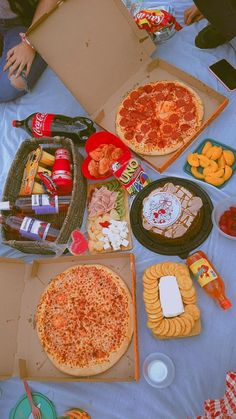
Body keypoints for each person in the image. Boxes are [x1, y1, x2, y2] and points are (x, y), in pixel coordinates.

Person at [0, 0, 58, 103]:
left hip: (39, 16)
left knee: (14, 82)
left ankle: (44, 41)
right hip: (8, 26)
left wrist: (29, 42)